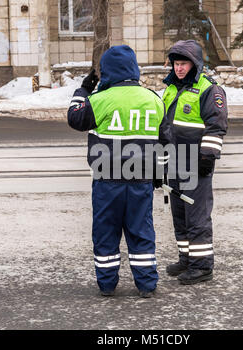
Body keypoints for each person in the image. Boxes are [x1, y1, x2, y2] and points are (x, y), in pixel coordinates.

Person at [67, 45, 171, 297]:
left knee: (106, 230)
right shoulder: (153, 100)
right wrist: (159, 174)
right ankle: (146, 284)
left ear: (107, 72)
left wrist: (84, 90)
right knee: (141, 230)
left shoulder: (99, 100)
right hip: (141, 178)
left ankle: (107, 284)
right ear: (134, 69)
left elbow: (74, 118)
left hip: (107, 179)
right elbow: (165, 142)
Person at [162, 40, 228, 285]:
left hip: (196, 163)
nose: (179, 68)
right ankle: (186, 259)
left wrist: (207, 158)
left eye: (183, 64)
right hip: (175, 161)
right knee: (180, 214)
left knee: (197, 216)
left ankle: (202, 267)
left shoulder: (209, 89)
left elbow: (217, 126)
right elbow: (165, 126)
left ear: (195, 64)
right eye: (176, 64)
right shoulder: (170, 88)